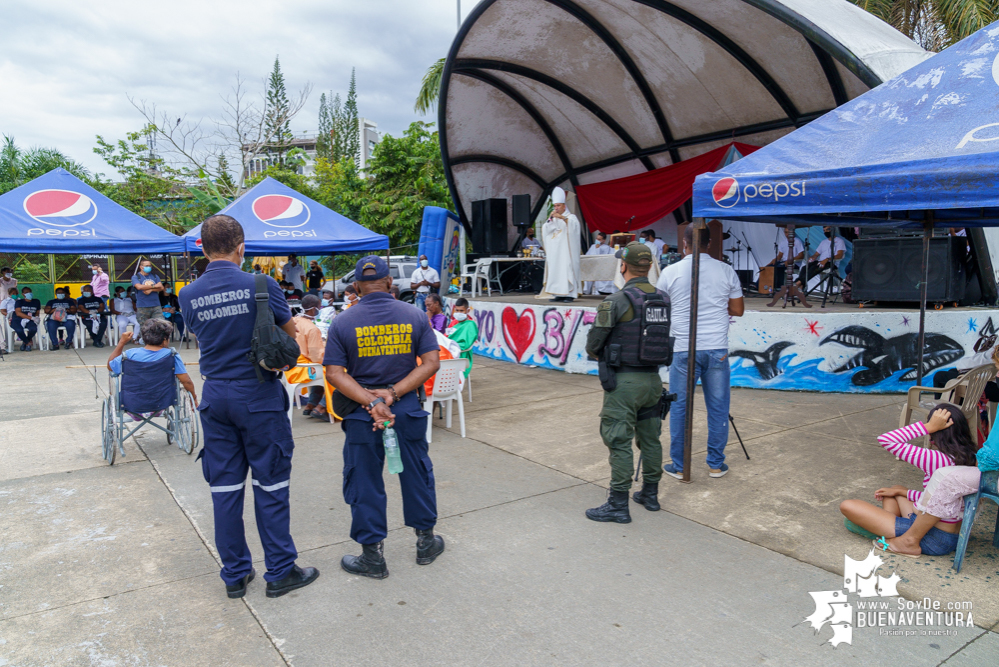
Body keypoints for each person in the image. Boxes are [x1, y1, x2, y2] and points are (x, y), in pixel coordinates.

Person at [179, 214, 319, 599]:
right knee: (270, 484)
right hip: (257, 395)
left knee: (224, 490)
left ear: (203, 250)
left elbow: (203, 334)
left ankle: (236, 574)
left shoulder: (187, 294)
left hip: (215, 396)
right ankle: (280, 570)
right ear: (241, 247)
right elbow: (292, 336)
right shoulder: (262, 284)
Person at [323, 255, 442, 579]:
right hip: (405, 408)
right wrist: (394, 393)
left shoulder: (343, 322)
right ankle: (426, 543)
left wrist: (372, 399)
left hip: (364, 415)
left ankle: (372, 557)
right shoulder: (414, 315)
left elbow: (334, 372)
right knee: (416, 474)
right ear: (390, 283)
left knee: (364, 481)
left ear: (357, 287)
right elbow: (431, 362)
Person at [584, 241, 669, 523]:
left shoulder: (617, 301)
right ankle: (650, 494)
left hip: (624, 383)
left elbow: (594, 344)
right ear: (647, 267)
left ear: (623, 266)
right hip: (653, 382)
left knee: (618, 440)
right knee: (650, 440)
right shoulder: (662, 298)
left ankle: (618, 504)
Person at [657, 225, 744, 479]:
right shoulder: (726, 270)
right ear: (710, 243)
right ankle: (716, 464)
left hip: (683, 348)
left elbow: (661, 310)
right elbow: (737, 310)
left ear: (684, 243)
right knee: (718, 407)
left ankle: (680, 464)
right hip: (716, 348)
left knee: (680, 407)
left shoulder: (670, 272)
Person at [840, 405, 978, 556]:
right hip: (951, 534)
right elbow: (942, 501)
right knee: (895, 490)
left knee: (848, 506)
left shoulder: (936, 458)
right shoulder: (972, 455)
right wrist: (903, 491)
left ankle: (891, 533)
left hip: (932, 537)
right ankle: (887, 526)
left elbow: (887, 440)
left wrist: (928, 427)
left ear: (936, 431)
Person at [107, 320, 197, 421]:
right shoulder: (172, 355)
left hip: (132, 400)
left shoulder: (129, 354)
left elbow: (110, 367)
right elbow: (186, 381)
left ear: (144, 338)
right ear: (164, 340)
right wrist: (193, 397)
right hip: (162, 399)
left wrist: (121, 342)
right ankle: (157, 408)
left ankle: (135, 412)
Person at [541, 186, 581, 302]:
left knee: (567, 269)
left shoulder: (571, 217)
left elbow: (574, 228)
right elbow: (546, 230)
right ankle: (558, 293)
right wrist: (550, 220)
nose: (556, 208)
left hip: (567, 252)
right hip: (557, 251)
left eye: (558, 205)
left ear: (564, 206)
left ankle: (570, 294)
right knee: (556, 270)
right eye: (555, 206)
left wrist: (563, 218)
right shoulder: (554, 218)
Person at [290, 294, 327, 416]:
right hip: (303, 370)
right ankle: (322, 406)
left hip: (290, 367)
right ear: (313, 309)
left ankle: (312, 403)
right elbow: (317, 357)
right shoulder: (312, 328)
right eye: (319, 306)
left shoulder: (293, 321)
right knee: (336, 371)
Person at [795, 226, 845, 295]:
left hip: (831, 262)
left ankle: (797, 284)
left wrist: (827, 259)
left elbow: (839, 255)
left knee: (813, 269)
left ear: (833, 230)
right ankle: (801, 285)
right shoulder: (823, 242)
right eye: (824, 230)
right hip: (820, 261)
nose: (826, 232)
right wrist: (813, 257)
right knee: (805, 268)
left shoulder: (839, 241)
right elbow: (816, 254)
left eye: (827, 229)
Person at [766, 227, 808, 307]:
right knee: (768, 268)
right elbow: (780, 256)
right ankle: (762, 287)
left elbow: (801, 255)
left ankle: (780, 288)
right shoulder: (783, 243)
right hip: (784, 262)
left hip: (794, 263)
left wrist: (791, 260)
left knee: (778, 269)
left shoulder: (797, 241)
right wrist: (774, 260)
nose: (787, 234)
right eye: (785, 232)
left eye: (788, 232)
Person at [447, 297, 478, 379]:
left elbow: (465, 345)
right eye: (457, 310)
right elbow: (446, 336)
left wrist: (450, 347)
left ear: (467, 311)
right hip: (448, 349)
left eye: (461, 311)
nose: (458, 313)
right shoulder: (453, 322)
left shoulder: (470, 325)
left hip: (461, 354)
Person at [132, 259, 164, 327]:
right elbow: (139, 287)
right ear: (141, 267)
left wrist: (151, 290)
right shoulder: (136, 277)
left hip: (156, 306)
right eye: (146, 266)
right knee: (144, 327)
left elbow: (161, 287)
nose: (149, 267)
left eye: (150, 266)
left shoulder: (155, 276)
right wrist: (154, 286)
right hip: (142, 307)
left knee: (160, 325)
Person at [12, 286, 41, 351]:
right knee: (19, 330)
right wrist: (31, 318)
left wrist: (36, 317)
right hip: (18, 319)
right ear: (23, 294)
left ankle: (25, 341)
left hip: (30, 320)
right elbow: (18, 313)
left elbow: (37, 312)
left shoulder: (36, 301)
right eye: (26, 292)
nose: (29, 293)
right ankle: (27, 343)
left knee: (33, 329)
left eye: (30, 292)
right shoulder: (19, 302)